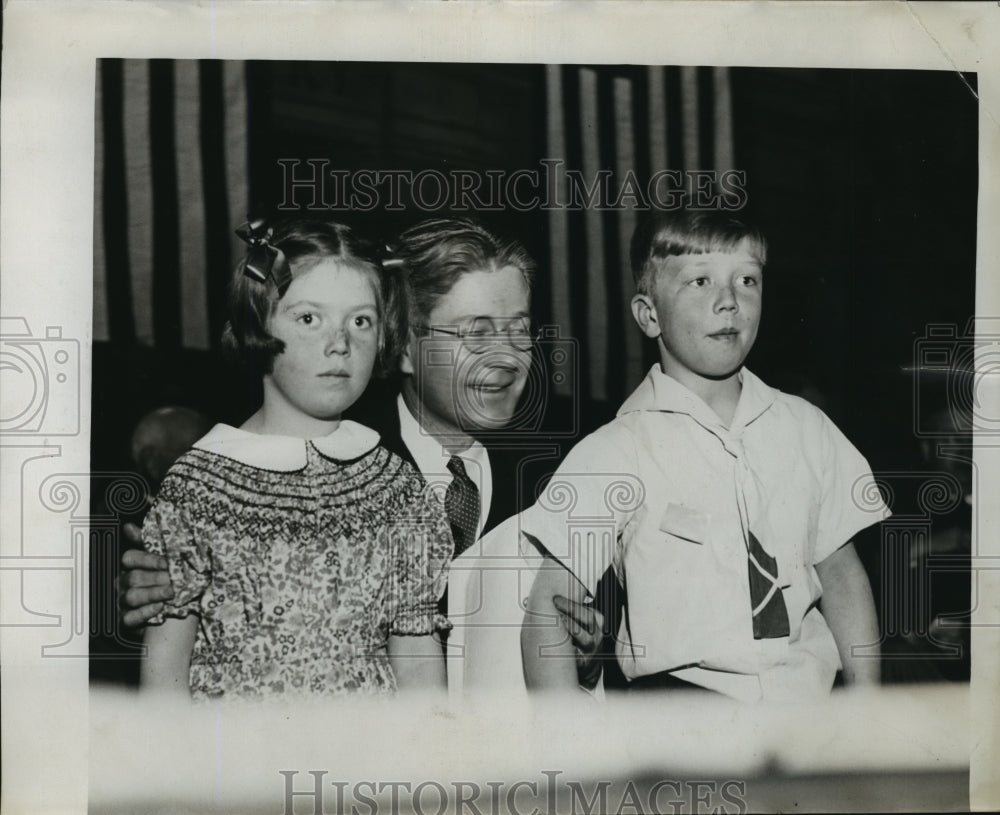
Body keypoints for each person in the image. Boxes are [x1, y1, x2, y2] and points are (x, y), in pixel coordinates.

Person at [120, 216, 604, 689]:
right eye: (475, 333)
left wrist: (581, 659)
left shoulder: (558, 479)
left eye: (519, 331)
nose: (505, 356)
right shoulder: (309, 452)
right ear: (405, 347)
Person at [520, 209, 887, 701]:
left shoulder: (808, 429)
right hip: (681, 714)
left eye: (747, 280)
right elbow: (548, 611)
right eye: (699, 281)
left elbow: (842, 575)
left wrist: (869, 711)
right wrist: (570, 761)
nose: (729, 301)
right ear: (649, 315)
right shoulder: (619, 449)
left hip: (808, 709)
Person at [140, 217, 452, 700]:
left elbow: (416, 655)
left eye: (360, 320)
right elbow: (164, 676)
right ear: (257, 325)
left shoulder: (396, 488)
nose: (340, 342)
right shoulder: (201, 484)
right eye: (310, 318)